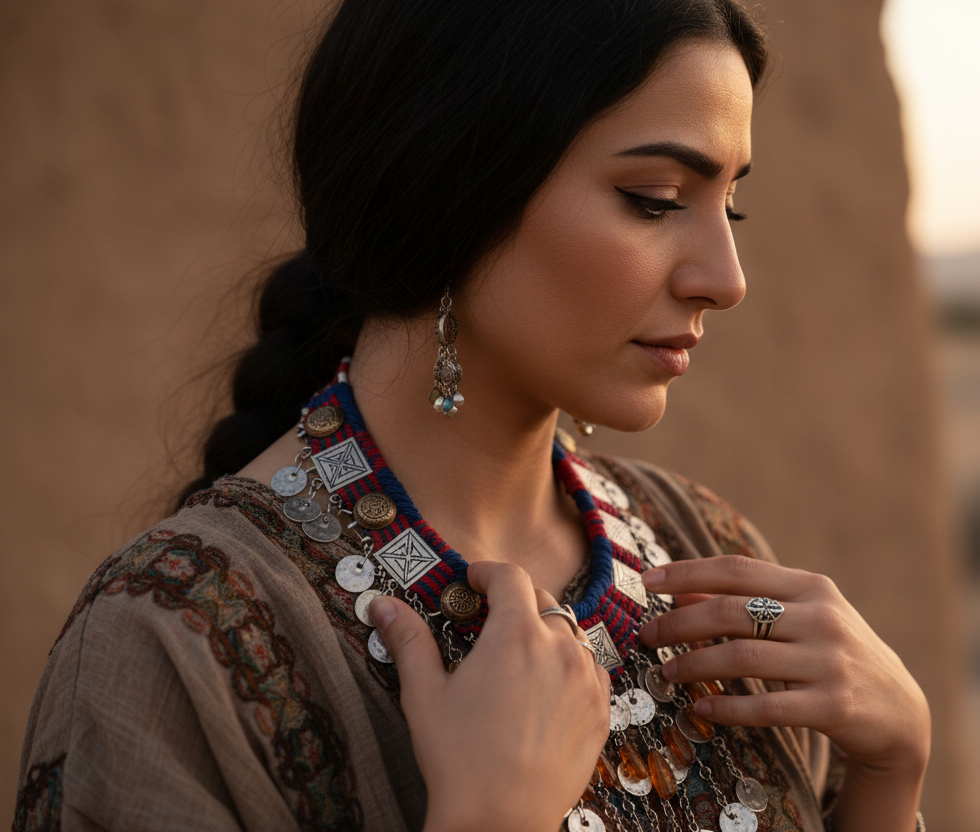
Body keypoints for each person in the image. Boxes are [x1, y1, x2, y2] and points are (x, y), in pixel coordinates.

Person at [13, 0, 931, 830]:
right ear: (448, 192)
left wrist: (892, 776)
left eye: (731, 206)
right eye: (655, 201)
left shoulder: (702, 556)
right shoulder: (166, 646)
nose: (725, 279)